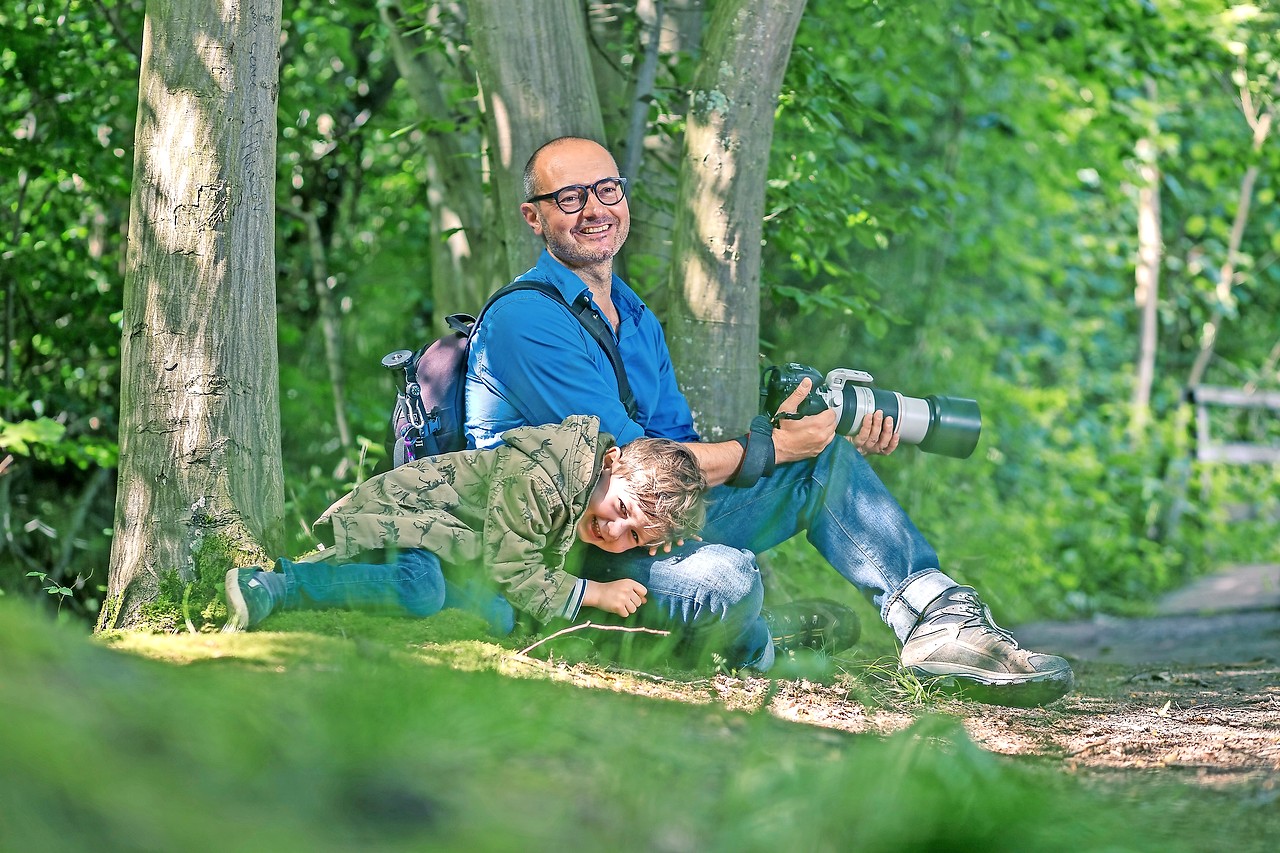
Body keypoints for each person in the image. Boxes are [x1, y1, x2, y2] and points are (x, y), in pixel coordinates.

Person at [462, 136, 1075, 706]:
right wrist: (768, 447)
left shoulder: (632, 312)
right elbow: (625, 463)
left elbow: (673, 455)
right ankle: (755, 643)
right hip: (570, 550)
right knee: (727, 580)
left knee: (822, 460)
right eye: (569, 198)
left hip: (645, 522)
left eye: (607, 190)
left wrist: (802, 437)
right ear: (534, 216)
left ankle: (938, 623)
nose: (594, 209)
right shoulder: (527, 320)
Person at [222, 415, 706, 632]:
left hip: (452, 547)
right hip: (407, 519)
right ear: (611, 462)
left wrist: (657, 538)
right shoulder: (542, 476)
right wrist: (593, 593)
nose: (614, 533)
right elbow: (514, 568)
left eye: (636, 537)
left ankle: (368, 583)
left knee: (497, 618)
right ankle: (283, 583)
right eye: (622, 510)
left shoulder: (581, 492)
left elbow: (510, 572)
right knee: (420, 590)